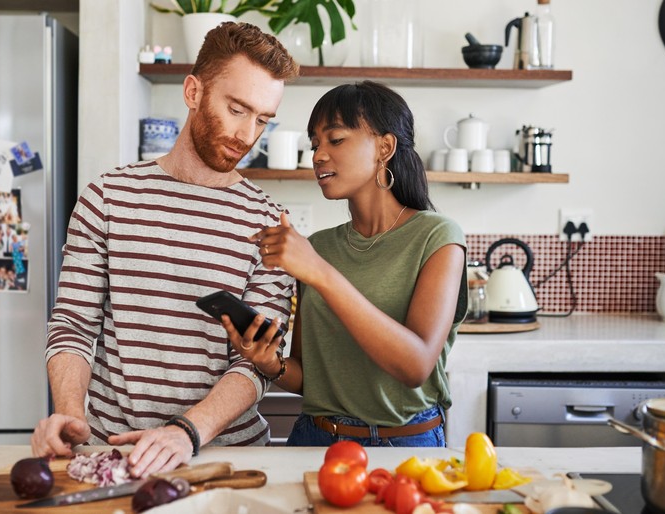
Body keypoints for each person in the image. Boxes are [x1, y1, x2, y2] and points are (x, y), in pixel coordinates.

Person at [32, 22, 300, 477]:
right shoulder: (107, 197)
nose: (246, 134)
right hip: (111, 454)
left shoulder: (269, 224)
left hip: (225, 461)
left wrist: (186, 431)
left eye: (262, 119)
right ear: (193, 91)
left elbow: (255, 363)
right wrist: (71, 414)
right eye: (236, 109)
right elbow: (73, 326)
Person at [227, 81, 468, 447]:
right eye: (314, 145)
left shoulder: (437, 237)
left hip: (403, 445)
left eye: (335, 140)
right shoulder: (320, 246)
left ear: (384, 147)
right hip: (315, 438)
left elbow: (415, 365)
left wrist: (320, 273)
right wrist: (269, 363)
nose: (319, 155)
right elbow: (308, 377)